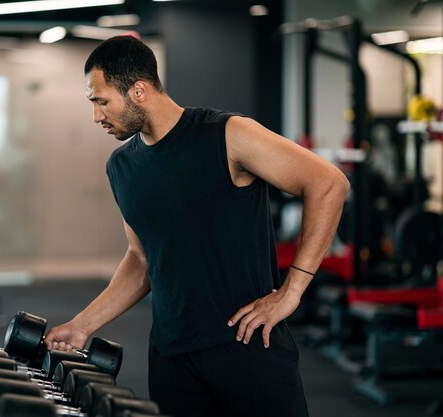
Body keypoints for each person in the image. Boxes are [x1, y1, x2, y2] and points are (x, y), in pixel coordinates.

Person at [44, 35, 349, 417]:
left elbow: (329, 183)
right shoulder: (121, 168)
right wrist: (82, 325)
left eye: (101, 101)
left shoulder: (227, 135)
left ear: (138, 91)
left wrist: (292, 291)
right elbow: (141, 260)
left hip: (248, 347)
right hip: (172, 358)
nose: (96, 117)